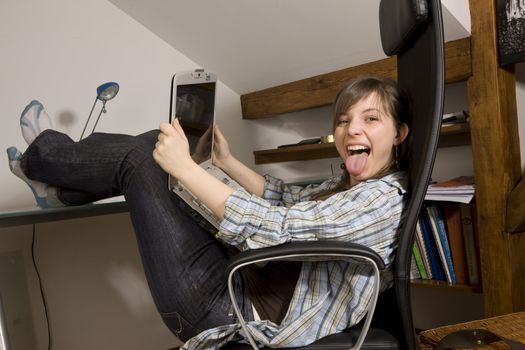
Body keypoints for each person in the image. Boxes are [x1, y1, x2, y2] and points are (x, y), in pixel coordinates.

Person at [7, 76, 410, 349]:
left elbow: (281, 229)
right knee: (153, 142)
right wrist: (226, 162)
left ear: (400, 133)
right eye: (344, 121)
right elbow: (284, 198)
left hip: (232, 312)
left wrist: (184, 168)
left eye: (371, 119)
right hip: (238, 276)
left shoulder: (380, 200)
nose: (352, 129)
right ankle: (58, 191)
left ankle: (41, 158)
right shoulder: (346, 185)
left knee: (141, 158)